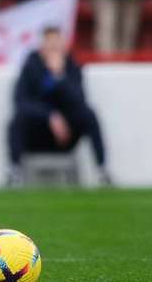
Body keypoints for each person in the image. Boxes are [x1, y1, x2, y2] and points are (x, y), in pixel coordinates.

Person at [7, 26, 110, 186]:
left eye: (57, 44)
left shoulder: (72, 67)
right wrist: (50, 116)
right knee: (17, 121)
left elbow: (78, 101)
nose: (54, 49)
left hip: (66, 135)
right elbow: (21, 103)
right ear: (42, 47)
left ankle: (102, 171)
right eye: (50, 44)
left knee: (89, 114)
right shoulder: (31, 67)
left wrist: (59, 77)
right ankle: (15, 171)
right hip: (38, 133)